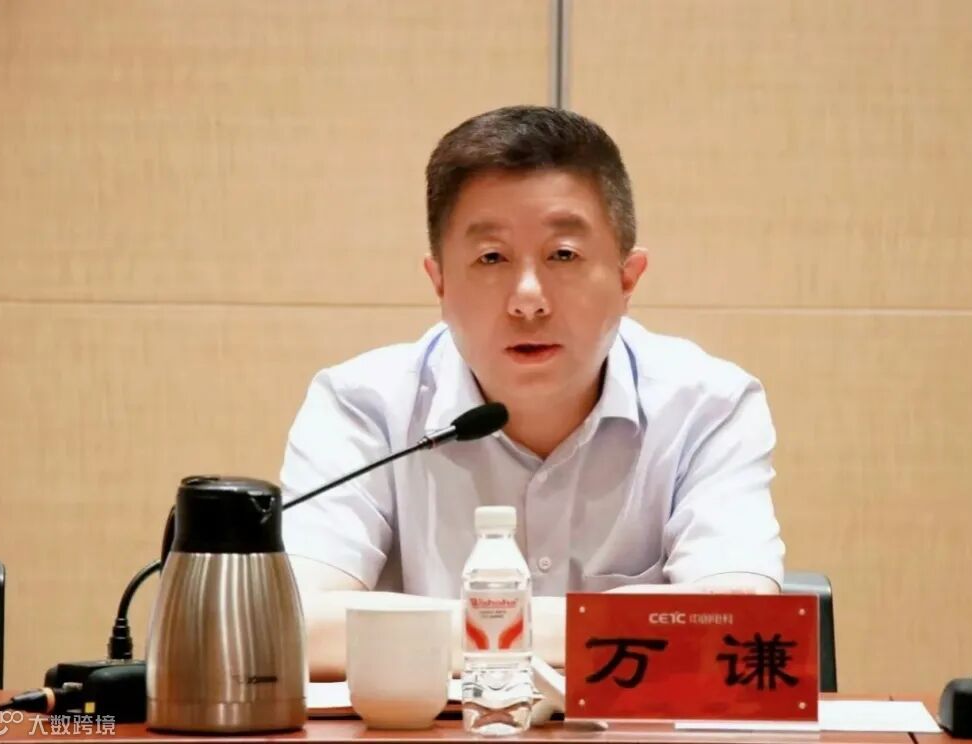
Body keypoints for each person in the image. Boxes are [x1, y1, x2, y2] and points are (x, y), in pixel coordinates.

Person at [279, 105, 785, 681]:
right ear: (439, 282)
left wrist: (462, 631)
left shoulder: (709, 406)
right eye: (491, 258)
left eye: (563, 255)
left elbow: (738, 624)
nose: (527, 299)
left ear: (628, 278)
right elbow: (291, 627)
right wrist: (606, 627)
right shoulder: (362, 406)